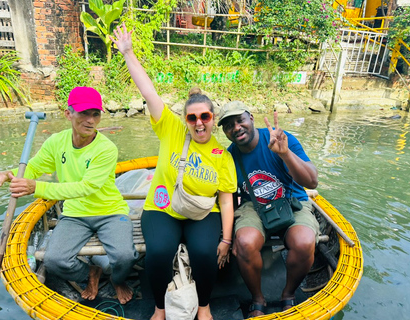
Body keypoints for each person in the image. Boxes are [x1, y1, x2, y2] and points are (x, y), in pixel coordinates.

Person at [111, 23, 237, 320]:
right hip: (163, 207)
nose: (199, 123)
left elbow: (227, 199)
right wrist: (128, 52)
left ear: (212, 116)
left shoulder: (221, 154)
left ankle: (203, 306)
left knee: (205, 253)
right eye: (192, 117)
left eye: (205, 116)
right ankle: (159, 307)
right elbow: (148, 90)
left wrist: (226, 240)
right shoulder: (171, 128)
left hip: (204, 212)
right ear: (185, 119)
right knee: (158, 253)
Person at [0, 87, 139, 304]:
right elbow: (32, 169)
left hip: (110, 212)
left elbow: (86, 187)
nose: (91, 120)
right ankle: (90, 274)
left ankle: (118, 280)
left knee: (125, 257)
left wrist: (37, 187)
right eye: (84, 113)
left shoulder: (106, 148)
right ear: (68, 114)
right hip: (75, 214)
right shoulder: (57, 142)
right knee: (55, 261)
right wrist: (7, 175)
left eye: (96, 114)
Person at [217, 101, 320, 317]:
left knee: (304, 242)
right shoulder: (228, 157)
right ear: (225, 132)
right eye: (228, 125)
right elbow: (228, 197)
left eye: (240, 120)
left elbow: (312, 182)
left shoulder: (281, 139)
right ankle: (258, 298)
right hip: (253, 207)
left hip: (292, 201)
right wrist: (232, 233)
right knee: (245, 242)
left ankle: (288, 293)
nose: (236, 128)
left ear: (251, 118)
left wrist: (285, 154)